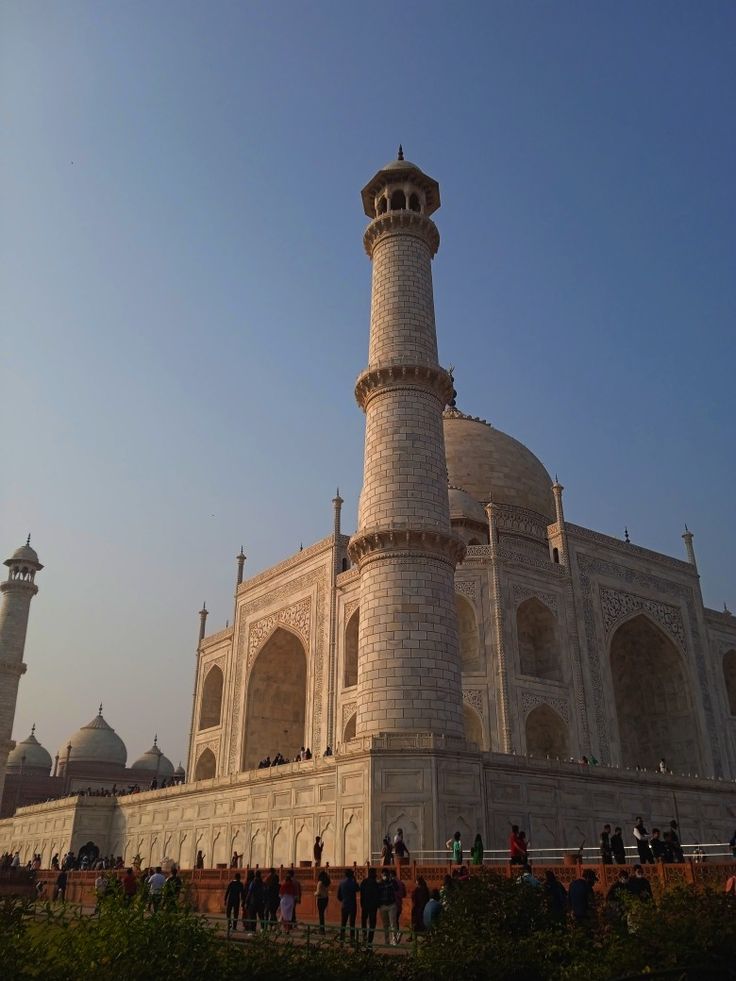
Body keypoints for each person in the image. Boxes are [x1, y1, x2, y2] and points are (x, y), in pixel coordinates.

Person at [378, 868, 399, 946]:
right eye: (383, 875)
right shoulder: (379, 883)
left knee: (393, 924)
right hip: (383, 905)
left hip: (391, 905)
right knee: (385, 925)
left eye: (386, 875)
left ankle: (394, 940)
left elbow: (397, 888)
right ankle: (386, 941)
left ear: (388, 875)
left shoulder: (392, 882)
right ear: (381, 875)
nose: (385, 876)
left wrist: (391, 880)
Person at [337, 868, 359, 942]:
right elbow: (358, 889)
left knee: (343, 923)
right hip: (352, 905)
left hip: (344, 904)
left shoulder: (342, 883)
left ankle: (341, 939)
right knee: (352, 924)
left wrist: (343, 900)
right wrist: (355, 880)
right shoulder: (353, 883)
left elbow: (338, 896)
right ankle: (352, 940)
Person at [360, 867, 379, 945]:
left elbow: (361, 894)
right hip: (372, 907)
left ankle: (365, 937)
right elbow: (377, 895)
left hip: (365, 905)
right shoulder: (375, 883)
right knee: (372, 924)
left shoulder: (364, 882)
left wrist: (362, 904)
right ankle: (369, 940)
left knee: (364, 922)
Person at [315, 869, 331, 935]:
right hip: (326, 899)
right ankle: (322, 928)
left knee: (321, 915)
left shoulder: (320, 883)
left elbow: (318, 893)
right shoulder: (327, 883)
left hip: (320, 899)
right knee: (322, 914)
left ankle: (322, 929)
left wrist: (314, 893)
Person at [391, 869, 406, 935]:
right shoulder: (401, 883)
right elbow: (404, 894)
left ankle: (396, 935)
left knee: (393, 921)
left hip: (392, 904)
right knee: (396, 920)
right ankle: (396, 934)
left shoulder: (391, 883)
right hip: (399, 904)